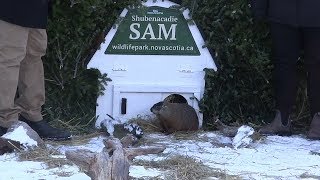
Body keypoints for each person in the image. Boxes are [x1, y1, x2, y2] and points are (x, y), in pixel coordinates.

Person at [0, 0, 71, 140]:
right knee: (8, 59)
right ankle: (5, 122)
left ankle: (31, 115)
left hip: (37, 8)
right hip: (8, 7)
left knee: (33, 58)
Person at [251, 0, 320, 139]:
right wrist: (259, 8)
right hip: (283, 11)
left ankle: (318, 119)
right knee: (284, 65)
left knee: (316, 65)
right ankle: (282, 119)